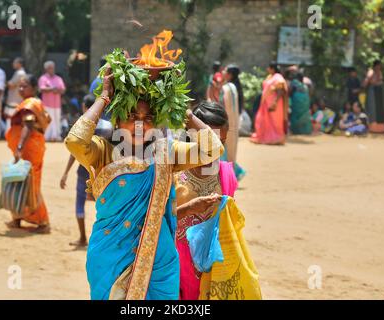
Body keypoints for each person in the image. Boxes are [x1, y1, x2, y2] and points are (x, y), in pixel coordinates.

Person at [65, 67, 224, 300]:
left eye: (148, 118)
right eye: (131, 117)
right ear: (117, 120)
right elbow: (75, 141)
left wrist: (180, 107)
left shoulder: (166, 154)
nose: (140, 125)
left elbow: (212, 148)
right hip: (112, 255)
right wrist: (104, 97)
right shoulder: (103, 151)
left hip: (159, 261)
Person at [175, 101, 261, 300]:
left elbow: (227, 224)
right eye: (208, 143)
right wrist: (188, 209)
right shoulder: (173, 173)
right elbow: (156, 219)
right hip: (177, 263)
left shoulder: (226, 174)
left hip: (214, 264)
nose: (215, 151)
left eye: (220, 143)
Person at [60, 94, 112, 247]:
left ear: (84, 107)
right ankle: (102, 237)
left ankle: (83, 237)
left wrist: (66, 172)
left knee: (80, 204)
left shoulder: (83, 125)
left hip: (84, 171)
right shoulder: (108, 126)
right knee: (104, 207)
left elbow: (75, 152)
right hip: (104, 173)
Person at [5, 75, 51, 233]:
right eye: (19, 86)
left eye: (24, 86)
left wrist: (19, 147)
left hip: (29, 148)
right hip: (30, 147)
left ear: (33, 88)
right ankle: (17, 218)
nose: (20, 89)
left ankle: (42, 222)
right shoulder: (33, 104)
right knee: (18, 180)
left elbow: (28, 126)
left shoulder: (30, 104)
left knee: (30, 184)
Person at [251, 62, 288, 145]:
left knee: (274, 121)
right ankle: (264, 137)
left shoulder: (278, 77)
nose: (267, 69)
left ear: (272, 69)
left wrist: (275, 101)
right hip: (266, 102)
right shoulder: (270, 77)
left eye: (269, 68)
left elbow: (281, 90)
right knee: (263, 120)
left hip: (275, 103)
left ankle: (276, 138)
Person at [39, 61, 66, 142]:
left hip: (56, 104)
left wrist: (56, 90)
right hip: (47, 104)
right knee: (48, 120)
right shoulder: (43, 78)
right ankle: (47, 136)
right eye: (50, 68)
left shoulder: (58, 78)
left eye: (52, 67)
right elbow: (41, 89)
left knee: (57, 120)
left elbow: (63, 89)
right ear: (46, 69)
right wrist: (51, 89)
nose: (52, 69)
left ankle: (56, 136)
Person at [363, 60, 384, 133]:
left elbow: (381, 81)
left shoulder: (379, 72)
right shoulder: (371, 72)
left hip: (379, 93)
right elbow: (366, 82)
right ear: (375, 66)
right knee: (372, 108)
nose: (380, 67)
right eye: (379, 65)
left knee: (380, 109)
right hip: (372, 92)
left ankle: (380, 127)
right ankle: (372, 127)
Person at [4, 57, 26, 132]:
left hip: (15, 99)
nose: (13, 64)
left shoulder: (20, 73)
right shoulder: (19, 72)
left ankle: (10, 132)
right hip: (16, 98)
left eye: (14, 63)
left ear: (19, 64)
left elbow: (11, 84)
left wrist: (5, 83)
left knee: (11, 116)